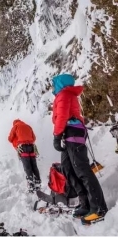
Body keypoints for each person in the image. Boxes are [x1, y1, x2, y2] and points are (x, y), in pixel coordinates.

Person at [51, 73, 108, 224]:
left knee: (82, 171)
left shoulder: (64, 94)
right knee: (68, 170)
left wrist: (56, 136)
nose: (52, 87)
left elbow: (62, 116)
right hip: (68, 134)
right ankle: (86, 204)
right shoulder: (64, 95)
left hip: (72, 132)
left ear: (59, 84)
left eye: (54, 84)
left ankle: (99, 208)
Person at [8, 119, 41, 193]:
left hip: (23, 148)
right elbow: (34, 138)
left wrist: (16, 141)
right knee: (34, 166)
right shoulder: (28, 126)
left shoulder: (15, 126)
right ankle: (38, 183)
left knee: (27, 167)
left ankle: (31, 185)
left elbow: (10, 139)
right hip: (32, 147)